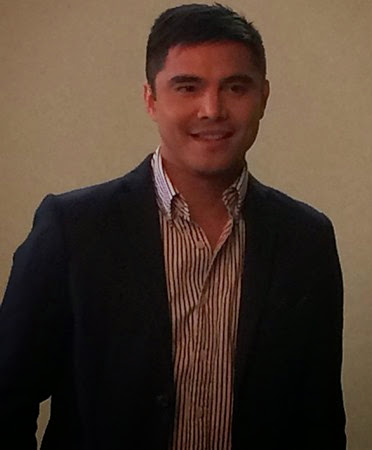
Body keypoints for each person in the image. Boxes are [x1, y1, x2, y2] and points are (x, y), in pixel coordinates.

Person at [0, 4, 346, 449]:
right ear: (151, 99)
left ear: (263, 97)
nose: (212, 109)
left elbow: (319, 419)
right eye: (187, 87)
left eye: (235, 87)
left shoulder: (306, 238)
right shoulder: (72, 229)